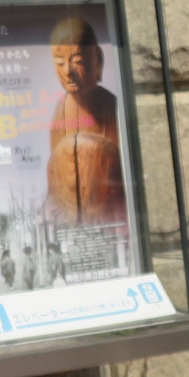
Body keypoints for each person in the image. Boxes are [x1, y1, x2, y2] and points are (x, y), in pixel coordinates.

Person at [44, 17, 127, 226]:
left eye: (77, 61)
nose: (67, 71)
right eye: (60, 63)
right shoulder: (60, 112)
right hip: (73, 210)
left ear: (95, 58)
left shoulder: (110, 106)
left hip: (107, 210)